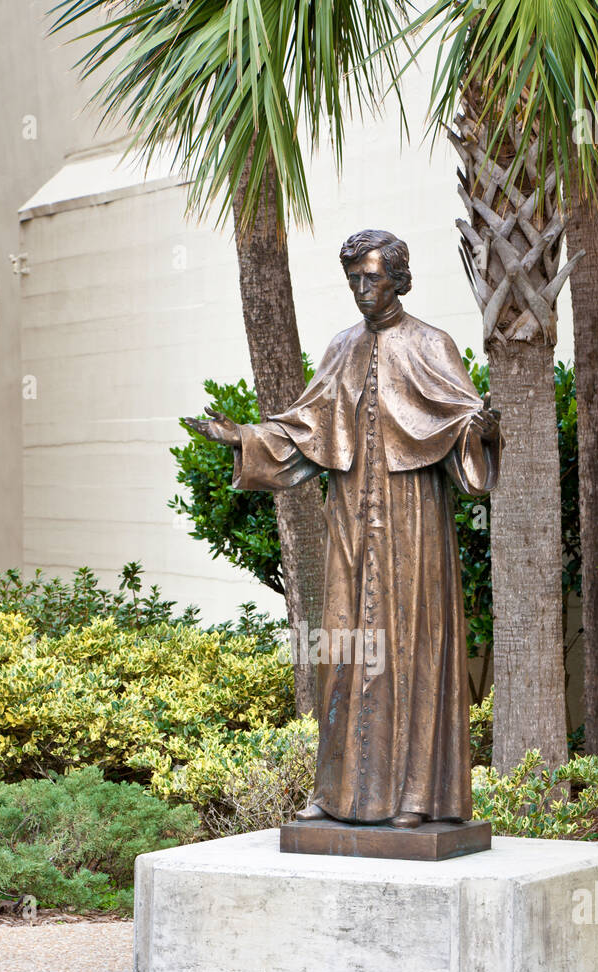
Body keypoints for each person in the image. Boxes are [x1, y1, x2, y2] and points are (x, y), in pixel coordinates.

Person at [187, 229, 502, 827]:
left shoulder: (433, 344)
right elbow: (307, 430)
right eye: (353, 278)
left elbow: (464, 427)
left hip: (413, 519)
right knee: (341, 647)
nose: (362, 289)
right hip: (351, 516)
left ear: (399, 279)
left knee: (410, 647)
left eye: (373, 278)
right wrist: (245, 438)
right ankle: (335, 795)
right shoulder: (341, 348)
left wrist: (481, 429)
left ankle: (417, 798)